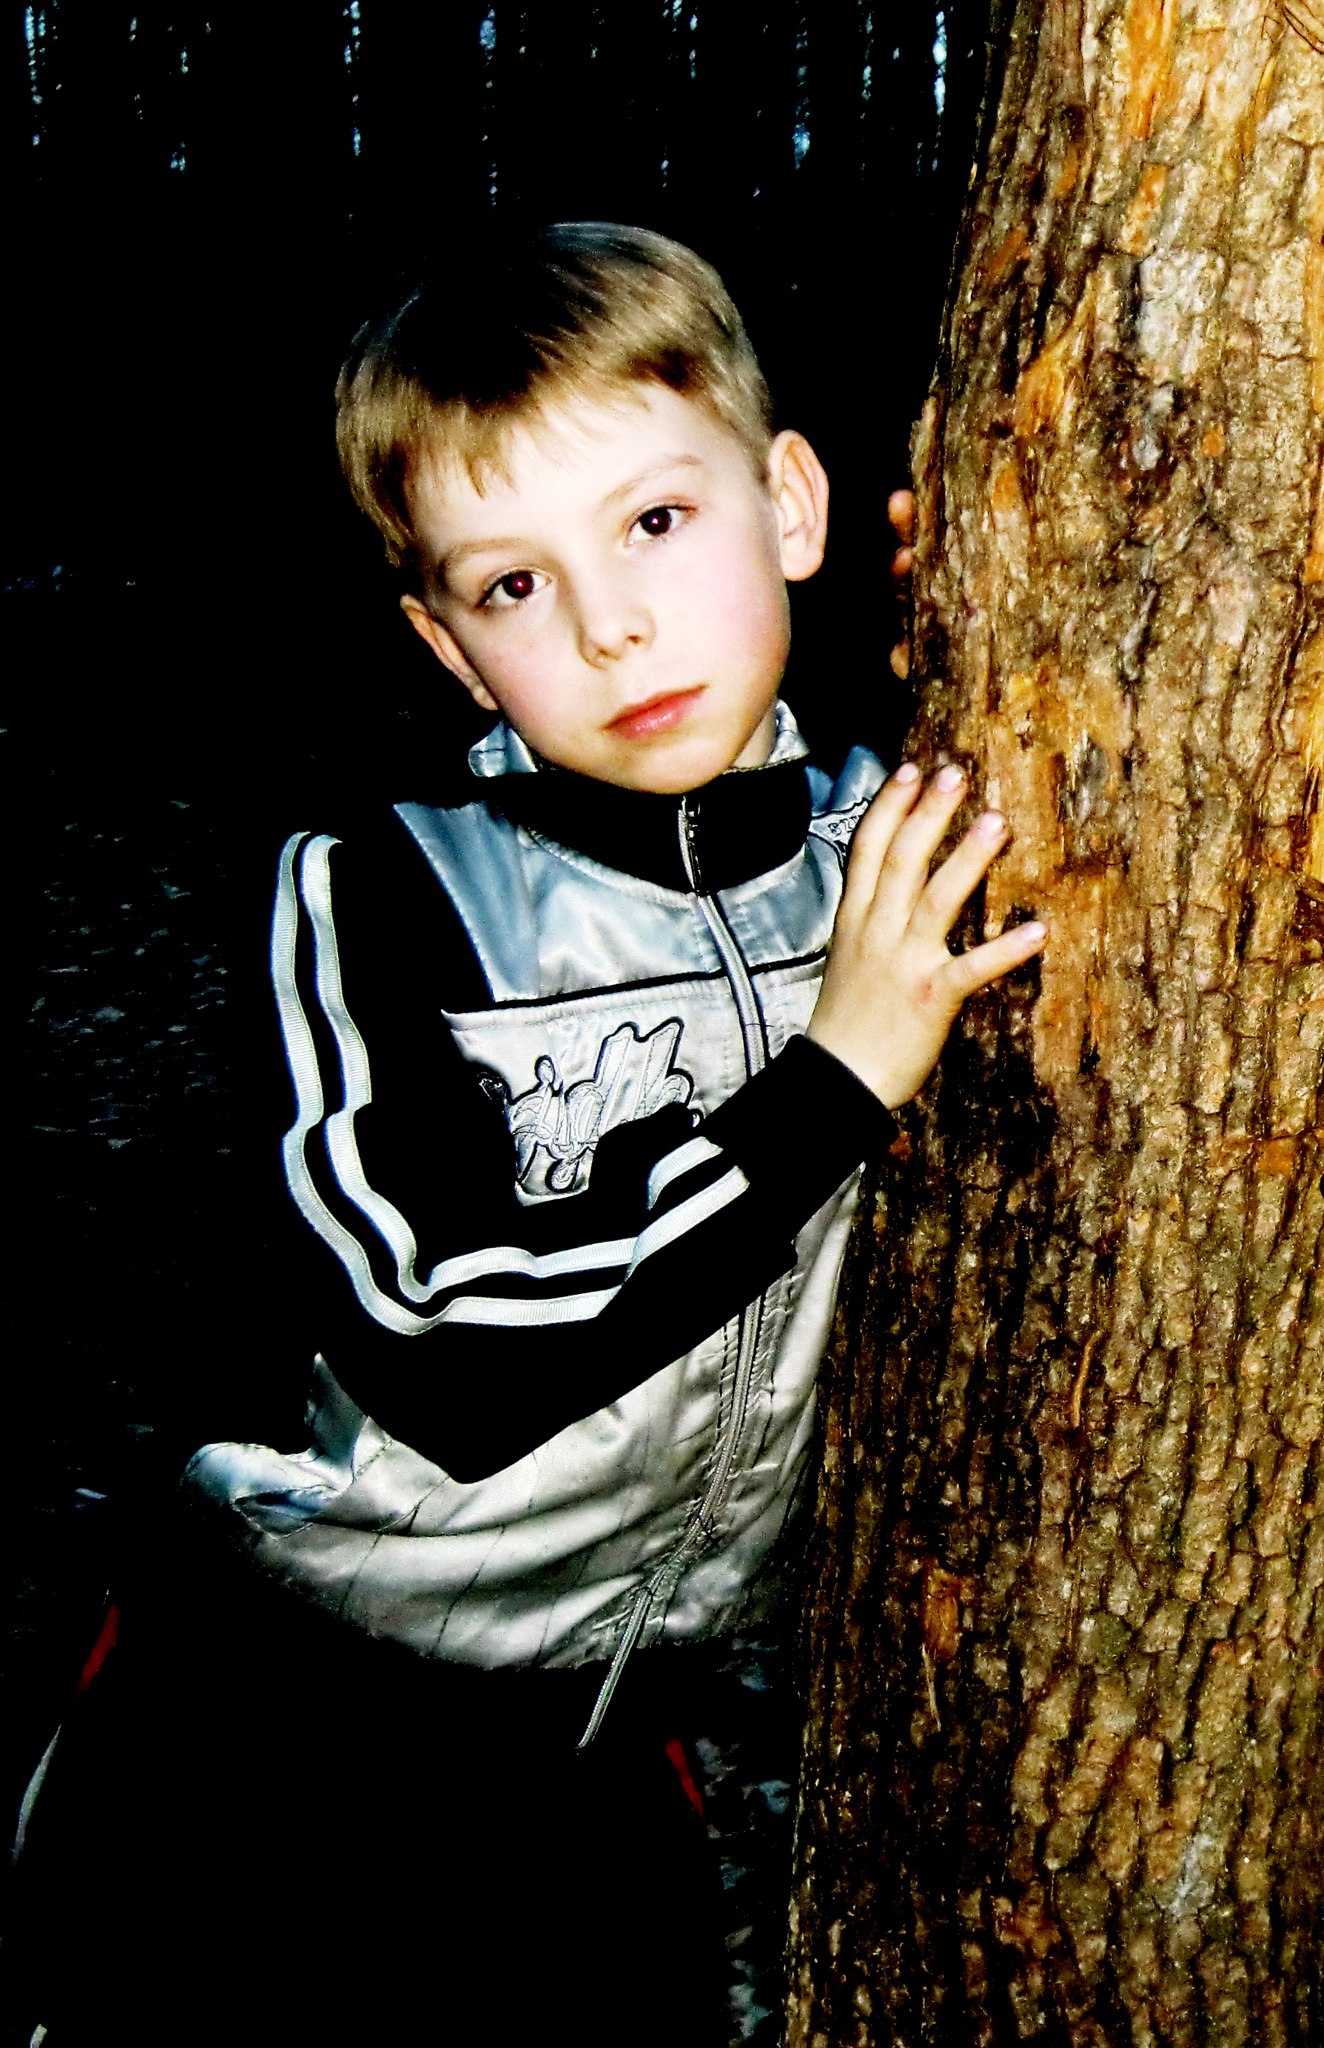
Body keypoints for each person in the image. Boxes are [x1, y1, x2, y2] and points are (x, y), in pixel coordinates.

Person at [13, 223, 1044, 2046]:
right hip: (284, 1724)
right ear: (451, 647)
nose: (609, 625)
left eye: (659, 521)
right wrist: (833, 1082)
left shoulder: (883, 843)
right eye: (512, 584)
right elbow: (441, 1350)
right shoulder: (378, 891)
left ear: (791, 506)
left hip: (608, 1739)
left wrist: (1004, 585)